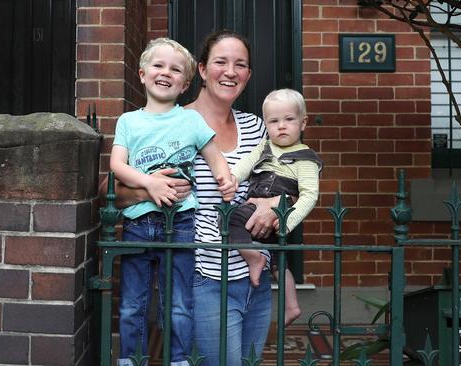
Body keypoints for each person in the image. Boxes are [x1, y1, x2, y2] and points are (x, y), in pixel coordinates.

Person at [112, 30, 278, 366]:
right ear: (201, 70)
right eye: (221, 62)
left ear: (248, 75)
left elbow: (284, 178)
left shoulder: (256, 127)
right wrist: (150, 186)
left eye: (240, 64)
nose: (230, 71)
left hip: (254, 275)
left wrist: (271, 204)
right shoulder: (173, 122)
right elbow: (112, 195)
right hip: (203, 274)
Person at [229, 88, 322, 326]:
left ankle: (253, 258)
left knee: (232, 220)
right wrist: (232, 179)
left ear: (303, 123)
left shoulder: (306, 159)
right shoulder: (265, 146)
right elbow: (246, 164)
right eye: (274, 121)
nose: (281, 126)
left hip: (279, 215)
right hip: (257, 206)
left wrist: (287, 220)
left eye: (289, 119)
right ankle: (291, 306)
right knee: (280, 264)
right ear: (266, 124)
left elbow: (310, 196)